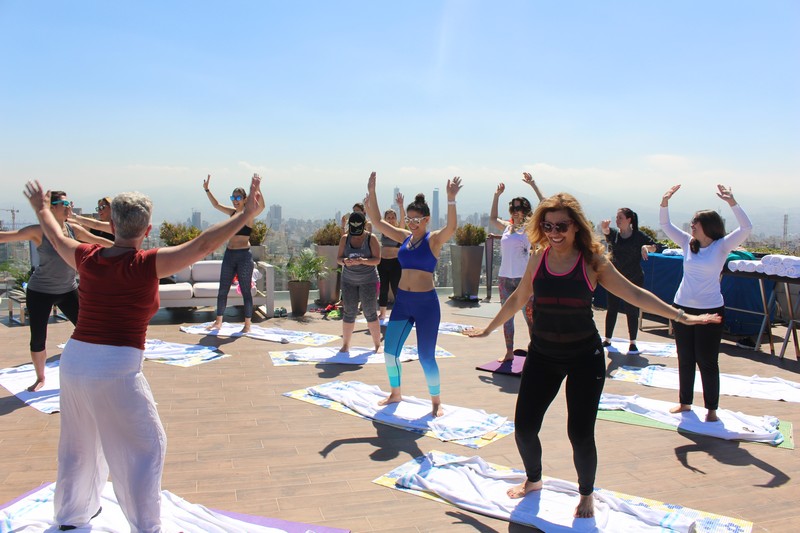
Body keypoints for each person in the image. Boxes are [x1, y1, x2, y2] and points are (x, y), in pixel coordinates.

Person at [23, 175, 263, 532]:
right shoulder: (147, 263)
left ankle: (72, 516)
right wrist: (245, 214)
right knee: (148, 447)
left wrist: (43, 208)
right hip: (116, 368)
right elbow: (203, 244)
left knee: (78, 442)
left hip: (74, 363)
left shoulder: (87, 256)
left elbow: (57, 238)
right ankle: (146, 525)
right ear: (147, 228)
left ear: (111, 224)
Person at [466, 192, 721, 518]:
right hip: (543, 354)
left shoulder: (592, 262)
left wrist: (682, 316)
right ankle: (533, 480)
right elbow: (518, 298)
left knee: (580, 434)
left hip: (584, 356)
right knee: (524, 428)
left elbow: (634, 293)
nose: (554, 232)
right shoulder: (539, 257)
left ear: (575, 226)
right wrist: (489, 329)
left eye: (561, 226)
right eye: (548, 226)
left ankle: (586, 493)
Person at [365, 171, 462, 418]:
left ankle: (436, 402)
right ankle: (395, 392)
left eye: (416, 220)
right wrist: (373, 192)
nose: (411, 223)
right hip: (403, 303)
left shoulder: (434, 240)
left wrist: (451, 199)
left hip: (426, 304)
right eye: (409, 219)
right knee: (389, 353)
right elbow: (377, 222)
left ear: (427, 219)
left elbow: (451, 226)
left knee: (426, 357)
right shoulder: (405, 238)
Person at [0, 190, 112, 392]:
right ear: (52, 207)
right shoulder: (38, 231)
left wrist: (131, 252)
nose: (70, 206)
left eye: (70, 202)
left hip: (68, 289)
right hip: (40, 292)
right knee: (38, 337)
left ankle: (93, 366)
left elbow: (100, 242)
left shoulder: (73, 229)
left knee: (89, 329)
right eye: (65, 203)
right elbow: (6, 237)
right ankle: (40, 378)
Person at [660, 184, 752, 422]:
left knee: (707, 359)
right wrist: (665, 202)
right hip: (682, 308)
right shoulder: (687, 242)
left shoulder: (721, 246)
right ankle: (685, 402)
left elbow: (746, 227)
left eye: (695, 222)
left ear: (707, 225)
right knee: (685, 357)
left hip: (710, 310)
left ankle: (711, 409)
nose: (691, 225)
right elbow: (665, 226)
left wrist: (732, 202)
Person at [488, 173, 544, 361]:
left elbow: (545, 206)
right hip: (505, 278)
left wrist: (533, 185)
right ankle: (509, 352)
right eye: (513, 208)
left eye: (520, 208)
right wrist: (497, 196)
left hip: (524, 280)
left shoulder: (530, 229)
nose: (515, 211)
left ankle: (536, 352)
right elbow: (493, 218)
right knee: (506, 317)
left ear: (527, 211)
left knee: (530, 318)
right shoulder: (506, 227)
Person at [203, 175, 257, 333]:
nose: (235, 200)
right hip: (230, 254)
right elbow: (216, 204)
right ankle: (218, 321)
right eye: (233, 197)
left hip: (244, 256)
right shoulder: (232, 213)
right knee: (223, 290)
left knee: (246, 291)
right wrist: (207, 189)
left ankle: (247, 325)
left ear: (244, 199)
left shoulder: (248, 215)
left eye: (238, 197)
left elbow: (258, 205)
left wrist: (255, 188)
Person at [599, 208, 657, 353]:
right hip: (615, 277)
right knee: (612, 308)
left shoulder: (638, 236)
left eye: (620, 218)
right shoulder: (614, 234)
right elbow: (606, 233)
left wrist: (646, 247)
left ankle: (633, 342)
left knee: (632, 309)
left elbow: (655, 247)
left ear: (629, 219)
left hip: (633, 278)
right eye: (617, 217)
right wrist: (604, 227)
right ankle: (607, 339)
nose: (617, 220)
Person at [337, 212, 382, 352]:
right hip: (348, 280)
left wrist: (363, 261)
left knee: (370, 312)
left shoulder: (371, 238)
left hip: (368, 280)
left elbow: (377, 259)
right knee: (349, 311)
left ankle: (377, 345)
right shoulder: (345, 238)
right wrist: (345, 261)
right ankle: (345, 345)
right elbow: (339, 258)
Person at [377, 191, 406, 321]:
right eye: (388, 217)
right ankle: (382, 313)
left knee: (396, 288)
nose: (390, 219)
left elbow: (403, 223)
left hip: (395, 263)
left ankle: (400, 312)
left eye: (392, 217)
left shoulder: (398, 231)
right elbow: (376, 220)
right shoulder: (383, 230)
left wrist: (400, 206)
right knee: (383, 288)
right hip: (383, 262)